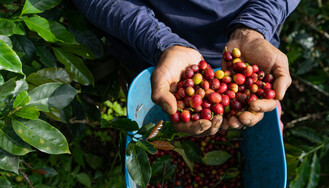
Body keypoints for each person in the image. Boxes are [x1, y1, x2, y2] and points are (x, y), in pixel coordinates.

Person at [73, 0, 300, 135]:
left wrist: (254, 26)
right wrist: (159, 41)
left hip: (252, 53)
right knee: (154, 132)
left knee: (252, 116)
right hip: (151, 57)